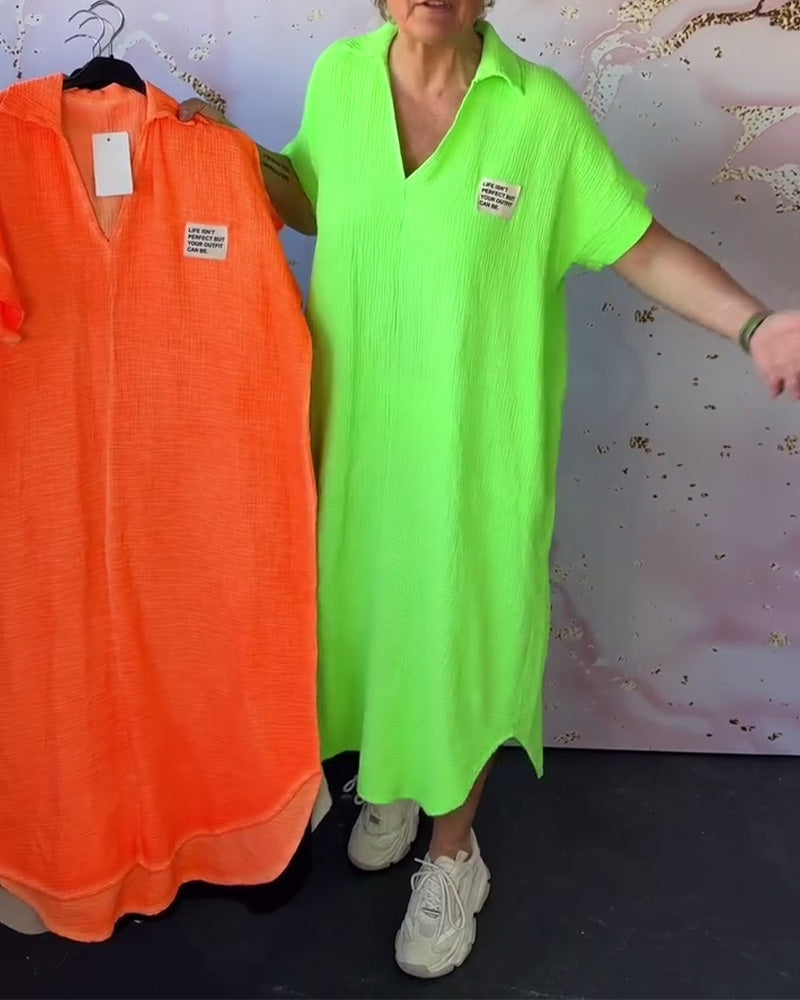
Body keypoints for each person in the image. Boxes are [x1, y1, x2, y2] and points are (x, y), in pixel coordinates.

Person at [179, 0, 800, 979]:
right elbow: (311, 195)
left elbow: (639, 245)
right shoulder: (340, 79)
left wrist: (753, 324)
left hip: (473, 465)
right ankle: (392, 776)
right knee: (366, 627)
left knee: (460, 646)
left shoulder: (536, 114)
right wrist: (229, 154)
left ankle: (452, 854)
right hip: (352, 447)